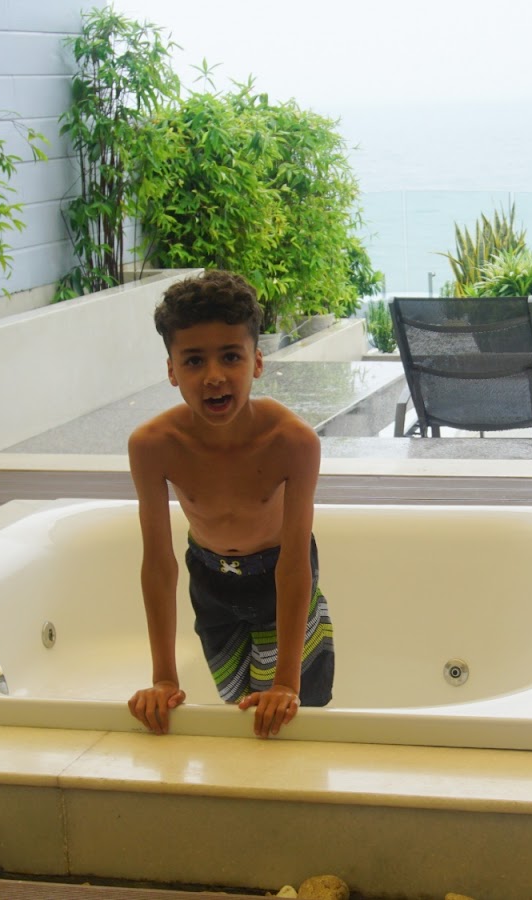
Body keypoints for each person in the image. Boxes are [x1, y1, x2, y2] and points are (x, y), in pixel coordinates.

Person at [126, 269, 333, 738]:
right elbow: (158, 563)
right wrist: (163, 680)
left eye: (231, 357)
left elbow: (295, 564)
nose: (214, 376)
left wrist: (286, 683)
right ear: (172, 370)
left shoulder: (293, 442)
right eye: (194, 361)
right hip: (211, 581)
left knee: (298, 713)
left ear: (257, 362)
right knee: (240, 712)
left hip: (280, 576)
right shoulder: (152, 446)